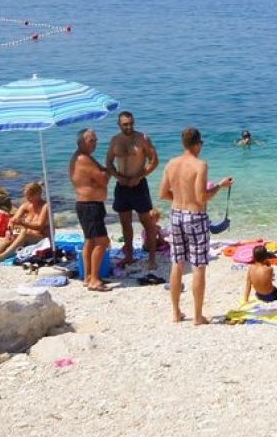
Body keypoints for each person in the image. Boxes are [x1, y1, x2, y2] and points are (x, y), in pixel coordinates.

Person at [159, 127, 233, 325]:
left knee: (177, 263)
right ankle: (198, 316)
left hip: (175, 215)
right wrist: (220, 185)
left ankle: (176, 312)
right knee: (199, 266)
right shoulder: (200, 165)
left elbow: (163, 193)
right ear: (197, 144)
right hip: (195, 216)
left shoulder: (171, 163)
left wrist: (182, 198)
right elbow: (201, 198)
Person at [105, 110, 160, 271]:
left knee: (147, 222)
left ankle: (151, 258)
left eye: (131, 123)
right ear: (119, 125)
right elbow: (108, 163)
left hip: (139, 185)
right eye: (125, 124)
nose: (129, 127)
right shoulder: (115, 141)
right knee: (125, 223)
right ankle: (129, 255)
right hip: (122, 186)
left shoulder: (142, 139)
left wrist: (140, 176)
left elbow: (154, 161)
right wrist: (117, 176)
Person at [69, 129, 112, 292]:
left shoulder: (85, 157)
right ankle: (94, 279)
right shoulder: (83, 158)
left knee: (90, 240)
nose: (94, 143)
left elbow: (101, 172)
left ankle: (88, 276)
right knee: (103, 242)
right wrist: (108, 170)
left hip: (88, 204)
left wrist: (104, 170)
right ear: (81, 142)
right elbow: (103, 179)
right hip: (89, 205)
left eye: (95, 140)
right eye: (90, 140)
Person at [0, 182, 50, 262]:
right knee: (11, 236)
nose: (27, 199)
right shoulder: (26, 205)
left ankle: (1, 257)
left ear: (38, 194)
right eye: (26, 196)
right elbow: (12, 220)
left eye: (30, 197)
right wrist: (10, 229)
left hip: (41, 237)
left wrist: (22, 223)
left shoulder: (45, 207)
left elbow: (39, 226)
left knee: (24, 232)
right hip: (27, 235)